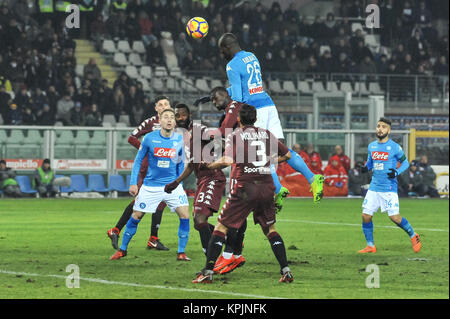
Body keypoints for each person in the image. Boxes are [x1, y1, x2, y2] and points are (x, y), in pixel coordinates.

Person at [214, 33, 324, 207]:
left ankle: (279, 190)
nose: (222, 55)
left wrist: (227, 112)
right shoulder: (251, 56)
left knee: (261, 155)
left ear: (227, 48)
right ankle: (313, 178)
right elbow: (249, 84)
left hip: (255, 110)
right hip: (269, 105)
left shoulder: (231, 66)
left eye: (222, 51)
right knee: (281, 150)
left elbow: (238, 97)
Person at [192, 104, 294, 284]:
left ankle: (207, 272)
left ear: (238, 119)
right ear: (255, 119)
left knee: (221, 227)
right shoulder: (267, 134)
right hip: (267, 186)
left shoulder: (236, 135)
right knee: (270, 229)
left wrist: (210, 165)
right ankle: (286, 271)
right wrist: (270, 160)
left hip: (246, 188)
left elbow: (228, 160)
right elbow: (287, 156)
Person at [164, 104, 243, 274]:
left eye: (181, 115)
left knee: (200, 219)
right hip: (202, 180)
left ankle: (211, 264)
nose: (178, 119)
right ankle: (229, 237)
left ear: (189, 115)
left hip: (213, 177)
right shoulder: (185, 136)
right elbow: (192, 165)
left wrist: (225, 153)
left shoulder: (199, 129)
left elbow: (220, 140)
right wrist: (176, 182)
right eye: (176, 116)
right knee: (199, 222)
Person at [110, 108, 191, 261]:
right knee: (136, 216)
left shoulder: (179, 140)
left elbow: (181, 163)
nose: (169, 120)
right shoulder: (149, 138)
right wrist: (133, 183)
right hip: (151, 186)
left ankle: (181, 252)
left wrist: (178, 182)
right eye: (165, 117)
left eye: (172, 117)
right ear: (159, 121)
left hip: (172, 186)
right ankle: (122, 249)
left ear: (175, 122)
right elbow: (138, 161)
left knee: (185, 215)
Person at [107, 96, 172, 252]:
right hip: (148, 168)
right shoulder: (150, 122)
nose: (164, 107)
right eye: (160, 105)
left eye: (166, 104)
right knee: (141, 201)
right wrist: (145, 149)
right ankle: (116, 230)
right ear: (156, 108)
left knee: (160, 201)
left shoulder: (172, 123)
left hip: (164, 169)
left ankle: (152, 239)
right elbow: (131, 137)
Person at [358, 117, 421, 254]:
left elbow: (405, 163)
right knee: (366, 216)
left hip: (389, 188)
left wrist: (396, 172)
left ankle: (413, 235)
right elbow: (370, 163)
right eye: (378, 126)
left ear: (389, 130)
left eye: (383, 127)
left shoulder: (395, 147)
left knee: (395, 218)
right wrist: (364, 168)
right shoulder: (372, 146)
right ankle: (370, 246)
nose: (380, 129)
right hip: (374, 187)